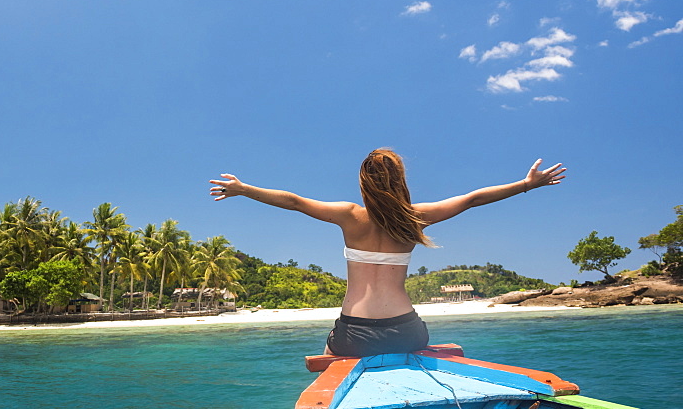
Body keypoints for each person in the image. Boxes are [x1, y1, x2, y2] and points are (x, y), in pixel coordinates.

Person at [208, 149, 566, 357]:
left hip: (354, 333)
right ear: (401, 180)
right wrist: (525, 185)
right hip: (407, 330)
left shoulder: (349, 215)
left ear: (364, 182)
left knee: (328, 358)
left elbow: (296, 202)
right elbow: (472, 199)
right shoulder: (415, 217)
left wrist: (244, 189)